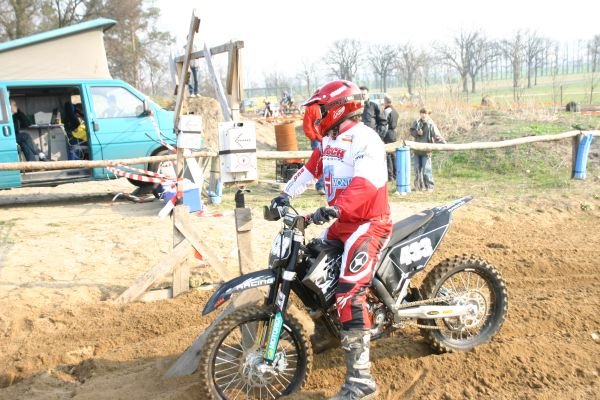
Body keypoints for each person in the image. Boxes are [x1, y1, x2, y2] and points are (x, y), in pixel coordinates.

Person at [271, 80, 391, 400]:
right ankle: (328, 330)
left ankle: (361, 382)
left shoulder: (366, 139)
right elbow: (310, 171)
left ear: (338, 108)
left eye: (320, 108)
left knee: (349, 294)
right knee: (310, 268)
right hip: (341, 223)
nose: (315, 115)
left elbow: (367, 183)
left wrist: (336, 207)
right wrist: (284, 195)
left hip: (368, 224)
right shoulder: (328, 140)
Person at [409, 107, 446, 191]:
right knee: (417, 169)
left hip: (426, 151)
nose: (423, 115)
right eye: (422, 113)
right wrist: (417, 133)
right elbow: (411, 131)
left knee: (426, 170)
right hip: (417, 150)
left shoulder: (431, 124)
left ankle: (429, 187)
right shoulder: (416, 122)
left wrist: (444, 144)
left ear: (428, 114)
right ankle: (418, 187)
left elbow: (437, 136)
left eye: (425, 113)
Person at [302, 101, 325, 194]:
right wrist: (313, 137)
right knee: (319, 163)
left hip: (328, 137)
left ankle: (328, 186)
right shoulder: (311, 108)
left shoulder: (330, 104)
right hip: (317, 140)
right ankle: (320, 186)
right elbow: (307, 125)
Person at [382, 95, 399, 182]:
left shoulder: (386, 111)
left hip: (387, 133)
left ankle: (390, 175)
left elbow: (384, 124)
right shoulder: (395, 111)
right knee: (393, 155)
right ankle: (396, 174)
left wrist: (381, 135)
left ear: (385, 102)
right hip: (394, 133)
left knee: (388, 154)